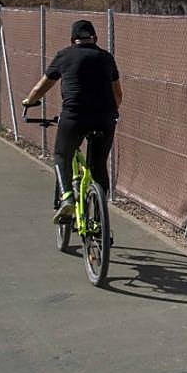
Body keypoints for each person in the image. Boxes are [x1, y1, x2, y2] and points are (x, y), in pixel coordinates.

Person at [21, 19, 123, 223]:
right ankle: (99, 216)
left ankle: (67, 197)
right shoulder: (106, 58)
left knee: (62, 155)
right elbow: (118, 94)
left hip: (74, 117)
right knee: (99, 166)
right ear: (95, 38)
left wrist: (29, 101)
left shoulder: (64, 55)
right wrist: (111, 112)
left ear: (72, 40)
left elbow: (40, 88)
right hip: (105, 118)